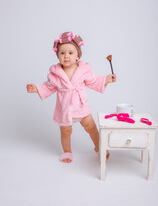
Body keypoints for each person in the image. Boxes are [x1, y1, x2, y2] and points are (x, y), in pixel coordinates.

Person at [26, 32, 116, 163]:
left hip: (81, 106)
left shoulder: (83, 70)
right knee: (66, 132)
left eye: (70, 53)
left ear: (78, 56)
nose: (66, 56)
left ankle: (99, 147)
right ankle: (67, 152)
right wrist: (36, 88)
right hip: (65, 108)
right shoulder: (55, 74)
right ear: (58, 56)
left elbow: (93, 81)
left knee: (92, 128)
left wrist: (106, 79)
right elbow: (49, 87)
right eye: (62, 53)